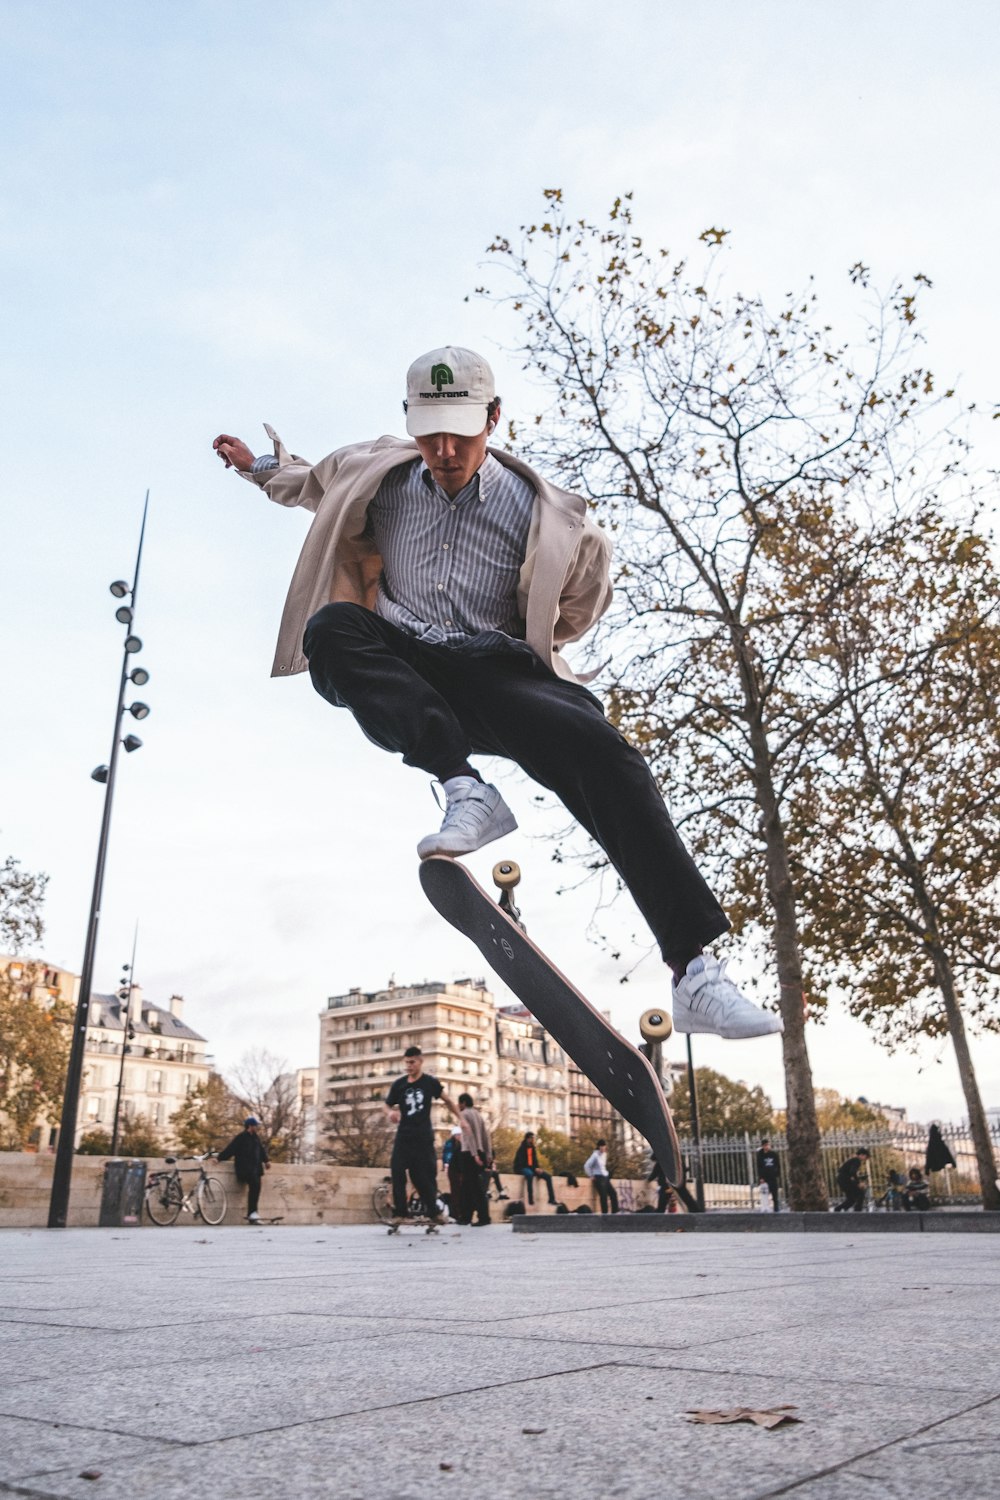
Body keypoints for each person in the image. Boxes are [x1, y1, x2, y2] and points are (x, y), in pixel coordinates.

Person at [213, 348, 785, 1045]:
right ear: (409, 422)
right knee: (332, 629)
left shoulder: (546, 514)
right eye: (430, 434)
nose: (446, 451)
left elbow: (576, 607)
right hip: (406, 661)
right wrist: (258, 468)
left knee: (610, 762)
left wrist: (530, 645)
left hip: (497, 669)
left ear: (494, 417)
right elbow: (312, 484)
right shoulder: (377, 472)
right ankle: (464, 788)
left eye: (462, 432)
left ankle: (694, 970)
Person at [384, 1046, 460, 1225]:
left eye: (412, 1062)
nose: (409, 1066)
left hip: (423, 1137)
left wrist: (461, 1118)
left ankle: (433, 1212)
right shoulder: (399, 1084)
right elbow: (386, 1105)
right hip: (404, 1136)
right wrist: (390, 1113)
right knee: (397, 1171)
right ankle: (400, 1213)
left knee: (421, 1177)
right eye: (406, 1063)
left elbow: (447, 1101)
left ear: (420, 1061)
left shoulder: (429, 1083)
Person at [217, 1116, 270, 1222]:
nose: (257, 1127)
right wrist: (219, 1158)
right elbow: (230, 1149)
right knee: (254, 1186)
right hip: (245, 1169)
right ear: (250, 1126)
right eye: (255, 1125)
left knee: (256, 1189)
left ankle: (253, 1213)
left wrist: (266, 1161)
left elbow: (261, 1150)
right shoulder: (241, 1137)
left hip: (255, 1169)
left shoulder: (255, 1137)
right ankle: (252, 1213)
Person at [457, 1092, 492, 1227]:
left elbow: (469, 1135)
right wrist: (487, 1154)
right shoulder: (478, 1115)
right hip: (480, 1152)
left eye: (459, 1103)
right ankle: (466, 1216)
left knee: (473, 1187)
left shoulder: (464, 1115)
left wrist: (474, 1154)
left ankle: (483, 1217)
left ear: (463, 1103)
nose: (458, 1106)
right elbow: (486, 1136)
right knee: (469, 1186)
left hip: (469, 1153)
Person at [513, 1131, 557, 1206]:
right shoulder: (522, 1148)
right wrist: (534, 1169)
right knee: (530, 1175)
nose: (533, 1140)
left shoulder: (532, 1148)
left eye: (533, 1138)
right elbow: (522, 1162)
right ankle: (530, 1199)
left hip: (531, 1168)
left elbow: (534, 1161)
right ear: (528, 1139)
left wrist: (538, 1168)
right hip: (521, 1167)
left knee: (548, 1177)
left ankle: (551, 1199)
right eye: (532, 1138)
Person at [583, 1139, 619, 1214]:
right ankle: (605, 1214)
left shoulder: (605, 1154)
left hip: (605, 1177)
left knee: (613, 1193)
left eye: (604, 1147)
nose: (603, 1148)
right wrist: (591, 1175)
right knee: (603, 1196)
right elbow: (587, 1165)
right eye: (602, 1147)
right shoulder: (595, 1155)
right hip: (598, 1177)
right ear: (599, 1147)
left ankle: (615, 1213)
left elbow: (603, 1167)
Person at [833, 1148, 870, 1212]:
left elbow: (850, 1172)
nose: (865, 1159)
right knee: (860, 1193)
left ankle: (838, 1209)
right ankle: (858, 1211)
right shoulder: (857, 1160)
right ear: (862, 1155)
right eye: (866, 1157)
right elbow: (852, 1172)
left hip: (842, 1179)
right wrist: (858, 1183)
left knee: (852, 1198)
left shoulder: (853, 1160)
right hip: (845, 1180)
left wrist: (858, 1179)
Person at [442, 1125, 464, 1217]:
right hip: (453, 1169)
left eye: (460, 1135)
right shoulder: (450, 1144)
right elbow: (447, 1155)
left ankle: (460, 1211)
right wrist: (446, 1165)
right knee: (455, 1191)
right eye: (457, 1135)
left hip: (460, 1169)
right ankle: (456, 1212)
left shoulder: (461, 1144)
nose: (459, 1137)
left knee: (460, 1191)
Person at [755, 1139, 781, 1212]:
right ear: (763, 1146)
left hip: (772, 1176)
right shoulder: (760, 1155)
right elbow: (759, 1167)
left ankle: (776, 1207)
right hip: (765, 1177)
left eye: (768, 1145)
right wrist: (761, 1177)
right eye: (766, 1145)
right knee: (765, 1193)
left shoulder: (773, 1154)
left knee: (774, 1192)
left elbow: (777, 1165)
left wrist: (777, 1174)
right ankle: (765, 1207)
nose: (767, 1147)